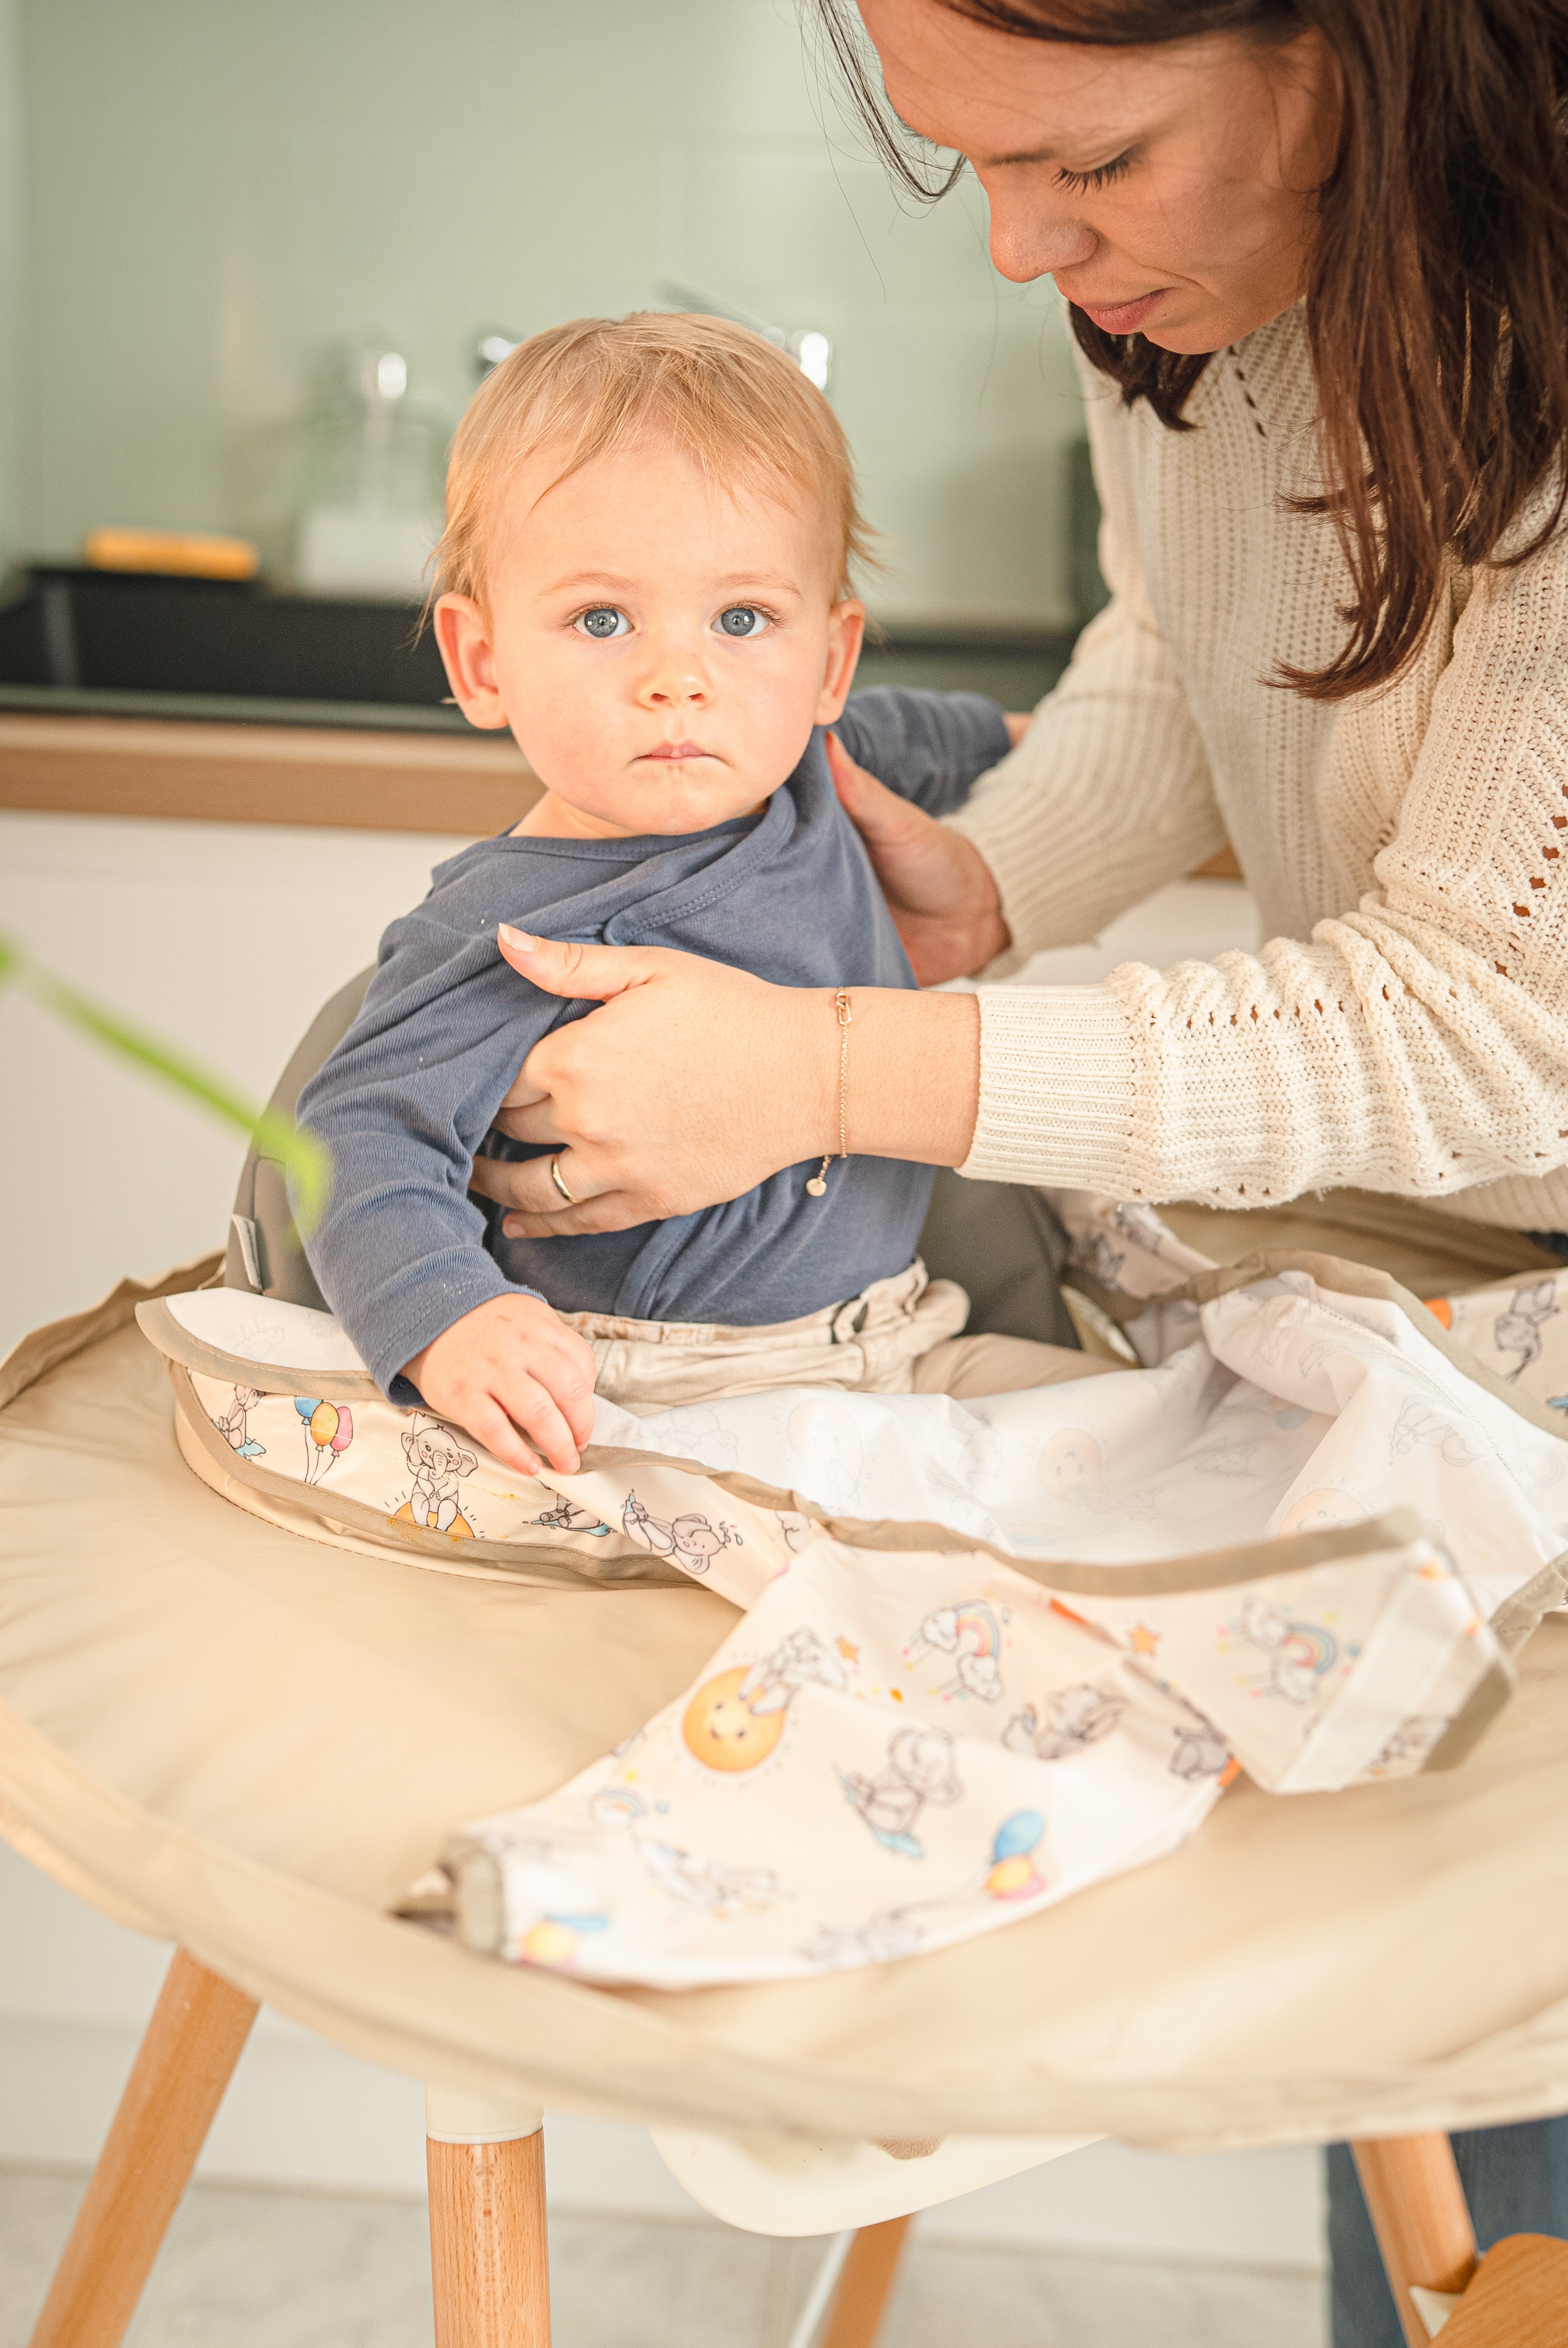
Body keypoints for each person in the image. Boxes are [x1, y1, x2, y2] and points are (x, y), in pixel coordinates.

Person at [458, 4, 1568, 2337]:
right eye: (971, 167)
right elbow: (1191, 654)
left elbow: (1499, 1015)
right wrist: (986, 887)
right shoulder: (1190, 297)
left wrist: (868, 1059)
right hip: (1426, 1265)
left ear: (1363, 49)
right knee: (1402, 2105)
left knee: (1516, 2065)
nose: (1019, 248)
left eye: (1090, 159)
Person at [296, 312, 1105, 1481]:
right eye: (601, 619)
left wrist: (1047, 742)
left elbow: (940, 733)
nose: (681, 678)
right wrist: (448, 1319)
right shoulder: (506, 924)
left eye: (741, 620)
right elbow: (357, 1134)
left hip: (897, 1341)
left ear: (828, 662)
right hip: (657, 1388)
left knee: (1185, 1434)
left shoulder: (826, 765)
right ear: (481, 664)